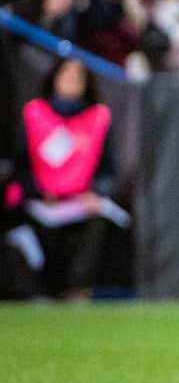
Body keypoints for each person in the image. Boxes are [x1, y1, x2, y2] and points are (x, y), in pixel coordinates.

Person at [10, 59, 117, 301]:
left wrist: (95, 192)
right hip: (40, 203)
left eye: (78, 78)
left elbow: (109, 173)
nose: (71, 82)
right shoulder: (34, 114)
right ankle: (39, 293)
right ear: (53, 78)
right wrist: (37, 193)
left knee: (95, 224)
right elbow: (19, 168)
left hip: (79, 204)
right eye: (66, 75)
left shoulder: (98, 118)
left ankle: (77, 292)